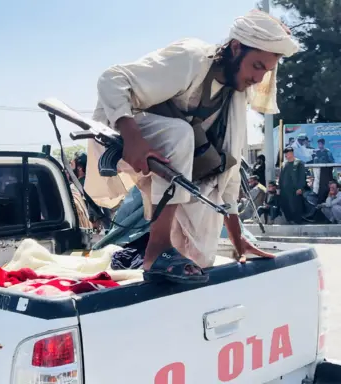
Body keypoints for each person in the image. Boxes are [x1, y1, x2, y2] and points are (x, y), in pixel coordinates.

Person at [85, 9, 294, 283]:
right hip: (121, 131)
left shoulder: (235, 100)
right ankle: (157, 250)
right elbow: (112, 80)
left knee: (201, 250)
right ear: (235, 48)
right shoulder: (193, 58)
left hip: (171, 161)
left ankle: (169, 287)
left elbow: (227, 177)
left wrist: (237, 240)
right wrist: (132, 136)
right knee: (181, 134)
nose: (258, 78)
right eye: (256, 66)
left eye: (265, 71)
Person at [279, 147, 307, 224]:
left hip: (295, 190)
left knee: (295, 205)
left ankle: (297, 221)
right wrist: (279, 189)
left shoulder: (299, 163)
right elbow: (281, 177)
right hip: (285, 190)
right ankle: (289, 220)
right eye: (285, 154)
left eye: (287, 154)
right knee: (285, 205)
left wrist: (300, 188)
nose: (286, 156)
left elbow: (302, 177)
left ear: (291, 153)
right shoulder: (284, 164)